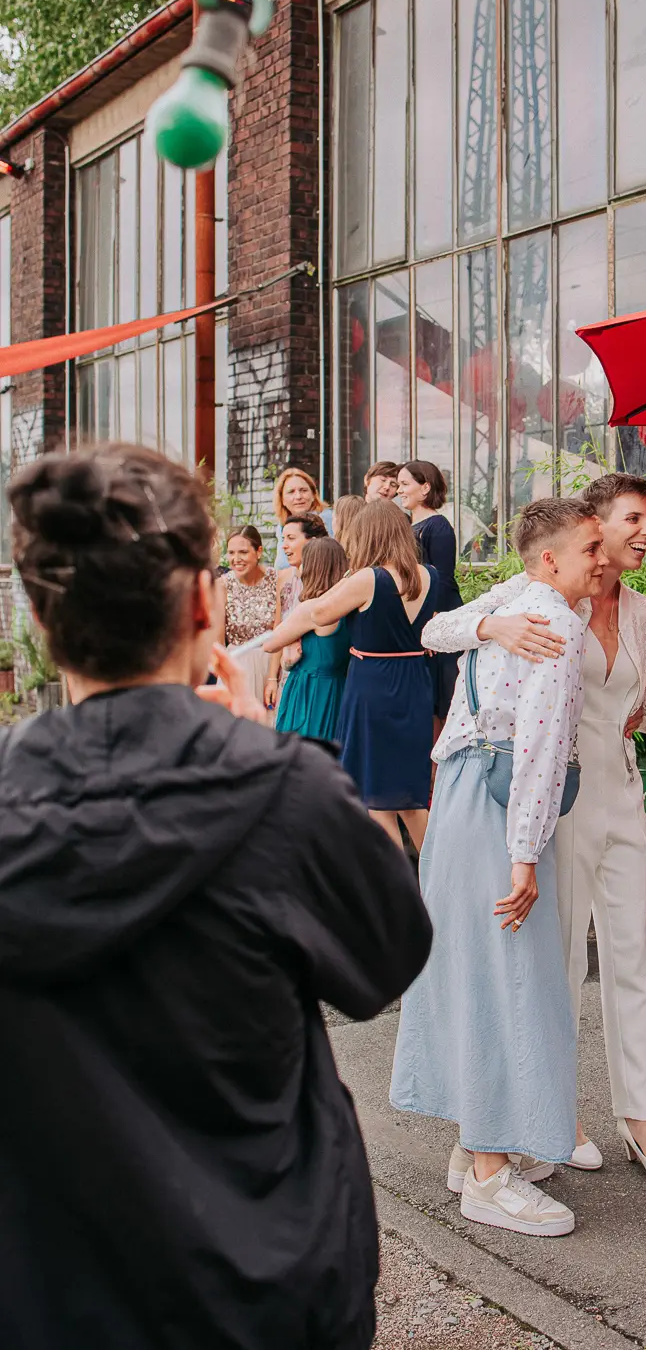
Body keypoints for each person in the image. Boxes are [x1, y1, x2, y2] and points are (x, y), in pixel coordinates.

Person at [0, 444, 432, 1350]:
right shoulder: (285, 793)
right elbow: (389, 954)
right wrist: (271, 745)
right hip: (267, 1284)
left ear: (42, 621)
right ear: (204, 603)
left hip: (54, 1291)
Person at [422, 473, 646, 1186]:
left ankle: (641, 1120)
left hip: (623, 797)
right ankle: (559, 1118)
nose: (645, 532)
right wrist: (494, 625)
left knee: (631, 961)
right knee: (559, 969)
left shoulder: (642, 613)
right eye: (632, 519)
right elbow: (437, 628)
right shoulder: (534, 596)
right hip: (557, 807)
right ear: (594, 528)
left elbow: (629, 715)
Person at [391, 498, 607, 1239]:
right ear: (550, 559)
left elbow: (435, 630)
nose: (602, 560)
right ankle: (488, 1175)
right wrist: (525, 858)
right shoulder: (558, 625)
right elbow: (544, 754)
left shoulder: (519, 597)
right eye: (590, 549)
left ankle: (472, 1147)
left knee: (474, 969)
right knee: (509, 979)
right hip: (498, 809)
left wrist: (489, 624)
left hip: (456, 794)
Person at [265, 501, 437, 852]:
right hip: (414, 682)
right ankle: (440, 885)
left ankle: (392, 889)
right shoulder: (427, 574)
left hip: (374, 685)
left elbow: (321, 611)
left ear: (367, 535)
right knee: (408, 797)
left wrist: (280, 637)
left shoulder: (368, 578)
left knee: (374, 798)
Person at [397, 460, 463, 721]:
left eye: (404, 484)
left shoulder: (438, 526)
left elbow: (444, 578)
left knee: (442, 698)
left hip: (438, 613)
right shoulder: (408, 526)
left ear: (425, 488)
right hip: (419, 615)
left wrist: (430, 620)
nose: (399, 490)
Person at [275, 538, 352, 743]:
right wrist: (287, 661)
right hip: (338, 688)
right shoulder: (349, 607)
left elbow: (271, 643)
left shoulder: (312, 608)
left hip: (310, 691)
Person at [265, 510, 328, 713]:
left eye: (291, 538)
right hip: (288, 670)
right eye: (283, 539)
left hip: (319, 672)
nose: (284, 546)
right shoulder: (283, 579)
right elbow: (278, 629)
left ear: (313, 541)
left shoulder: (330, 582)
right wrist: (272, 678)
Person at [223, 525, 276, 707]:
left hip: (270, 665)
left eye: (243, 552)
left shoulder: (276, 580)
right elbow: (217, 644)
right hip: (237, 666)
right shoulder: (223, 585)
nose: (236, 559)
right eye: (231, 553)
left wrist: (273, 678)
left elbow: (281, 630)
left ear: (259, 551)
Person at [272, 466, 333, 570]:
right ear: (282, 499)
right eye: (291, 492)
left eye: (303, 490)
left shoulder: (329, 518)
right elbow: (281, 566)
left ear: (313, 495)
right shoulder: (282, 526)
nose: (298, 496)